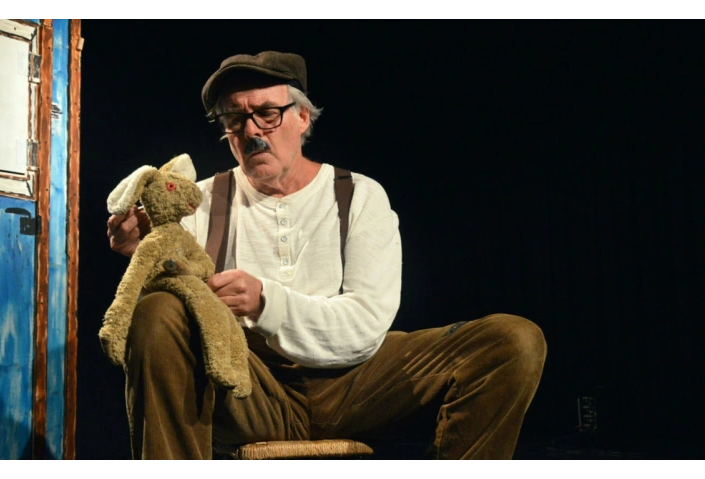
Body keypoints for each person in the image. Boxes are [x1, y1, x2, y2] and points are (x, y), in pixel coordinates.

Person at [105, 51, 547, 461]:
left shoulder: (359, 195)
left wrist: (265, 302)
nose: (252, 131)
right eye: (234, 118)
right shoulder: (198, 201)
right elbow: (165, 337)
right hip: (247, 385)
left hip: (357, 384)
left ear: (302, 117)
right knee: (158, 309)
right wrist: (143, 255)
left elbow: (365, 324)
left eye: (267, 113)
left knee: (512, 340)